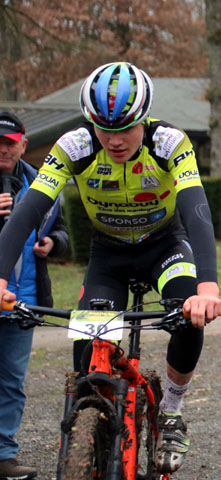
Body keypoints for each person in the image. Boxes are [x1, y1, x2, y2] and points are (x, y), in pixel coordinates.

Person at [0, 63, 221, 475]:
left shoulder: (170, 142)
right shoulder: (74, 146)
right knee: (87, 353)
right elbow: (28, 210)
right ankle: (86, 437)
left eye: (126, 128)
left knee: (185, 312)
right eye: (104, 129)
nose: (115, 140)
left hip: (164, 246)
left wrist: (207, 287)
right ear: (90, 123)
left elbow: (196, 209)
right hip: (108, 255)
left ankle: (171, 411)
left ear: (146, 119)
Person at [0, 112, 68, 480]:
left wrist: (52, 244)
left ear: (23, 145)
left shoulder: (43, 183)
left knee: (12, 381)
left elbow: (63, 233)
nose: (2, 150)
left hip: (22, 303)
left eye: (9, 143)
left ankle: (3, 456)